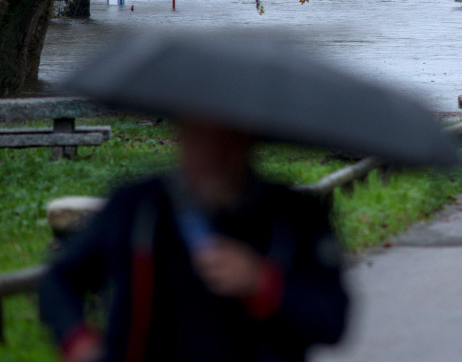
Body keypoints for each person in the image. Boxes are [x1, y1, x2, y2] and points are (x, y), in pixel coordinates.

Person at [39, 120, 349, 362]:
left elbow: (333, 320)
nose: (214, 153)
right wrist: (78, 341)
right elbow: (59, 280)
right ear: (183, 137)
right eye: (201, 136)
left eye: (228, 138)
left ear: (249, 141)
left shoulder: (294, 215)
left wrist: (264, 284)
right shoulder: (139, 206)